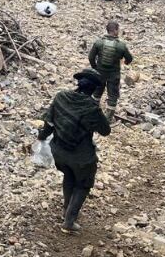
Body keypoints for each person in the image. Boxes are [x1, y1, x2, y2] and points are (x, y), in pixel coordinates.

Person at [38, 68, 111, 234]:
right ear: (93, 89)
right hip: (81, 157)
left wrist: (41, 138)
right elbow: (105, 131)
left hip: (58, 151)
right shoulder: (91, 108)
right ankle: (69, 221)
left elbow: (48, 124)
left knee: (69, 175)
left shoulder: (61, 96)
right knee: (84, 184)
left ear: (78, 83)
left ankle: (66, 210)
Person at [88, 21, 133, 121]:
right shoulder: (121, 45)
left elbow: (91, 57)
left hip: (100, 72)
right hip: (114, 74)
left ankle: (92, 113)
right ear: (116, 30)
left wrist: (95, 68)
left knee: (96, 93)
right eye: (118, 30)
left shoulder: (98, 42)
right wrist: (125, 62)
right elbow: (129, 59)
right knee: (112, 96)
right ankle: (107, 119)